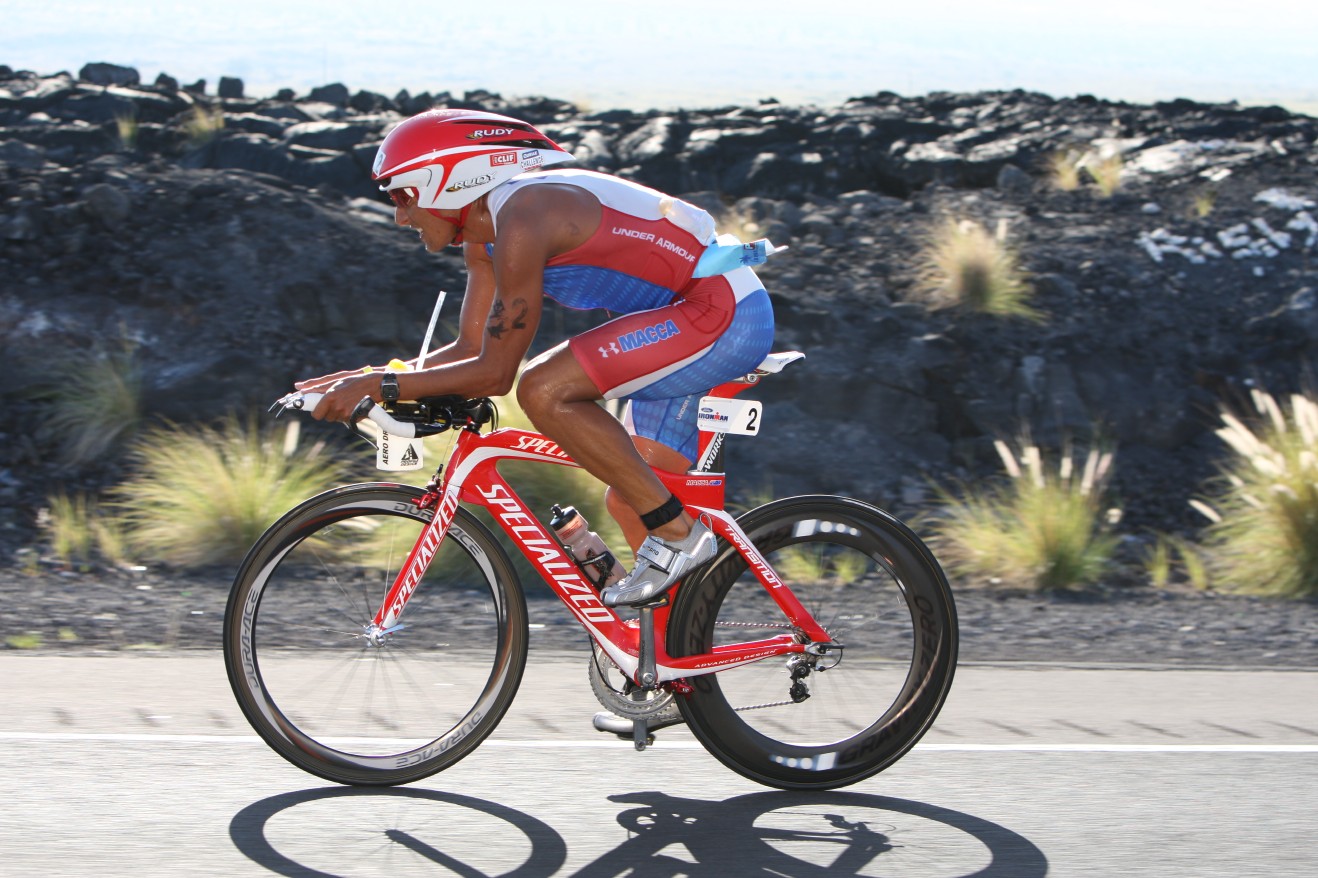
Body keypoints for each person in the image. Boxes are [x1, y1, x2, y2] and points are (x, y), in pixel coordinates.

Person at [296, 108, 776, 607]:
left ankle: (679, 535)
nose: (399, 215)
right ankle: (676, 659)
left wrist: (379, 388)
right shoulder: (486, 237)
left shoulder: (525, 217)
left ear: (450, 181)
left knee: (542, 388)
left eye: (402, 195)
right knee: (633, 498)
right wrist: (368, 377)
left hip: (721, 314)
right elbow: (470, 349)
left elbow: (497, 374)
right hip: (690, 317)